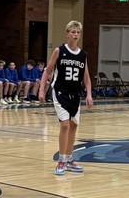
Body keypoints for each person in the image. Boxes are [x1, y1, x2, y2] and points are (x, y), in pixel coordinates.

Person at [39, 20, 93, 175]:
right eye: (73, 32)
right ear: (67, 34)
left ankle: (69, 158)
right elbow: (47, 71)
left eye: (78, 32)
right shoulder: (59, 50)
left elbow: (87, 77)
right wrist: (42, 90)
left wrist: (89, 94)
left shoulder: (83, 55)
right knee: (65, 125)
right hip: (60, 92)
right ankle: (61, 160)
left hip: (75, 94)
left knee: (73, 126)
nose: (76, 35)